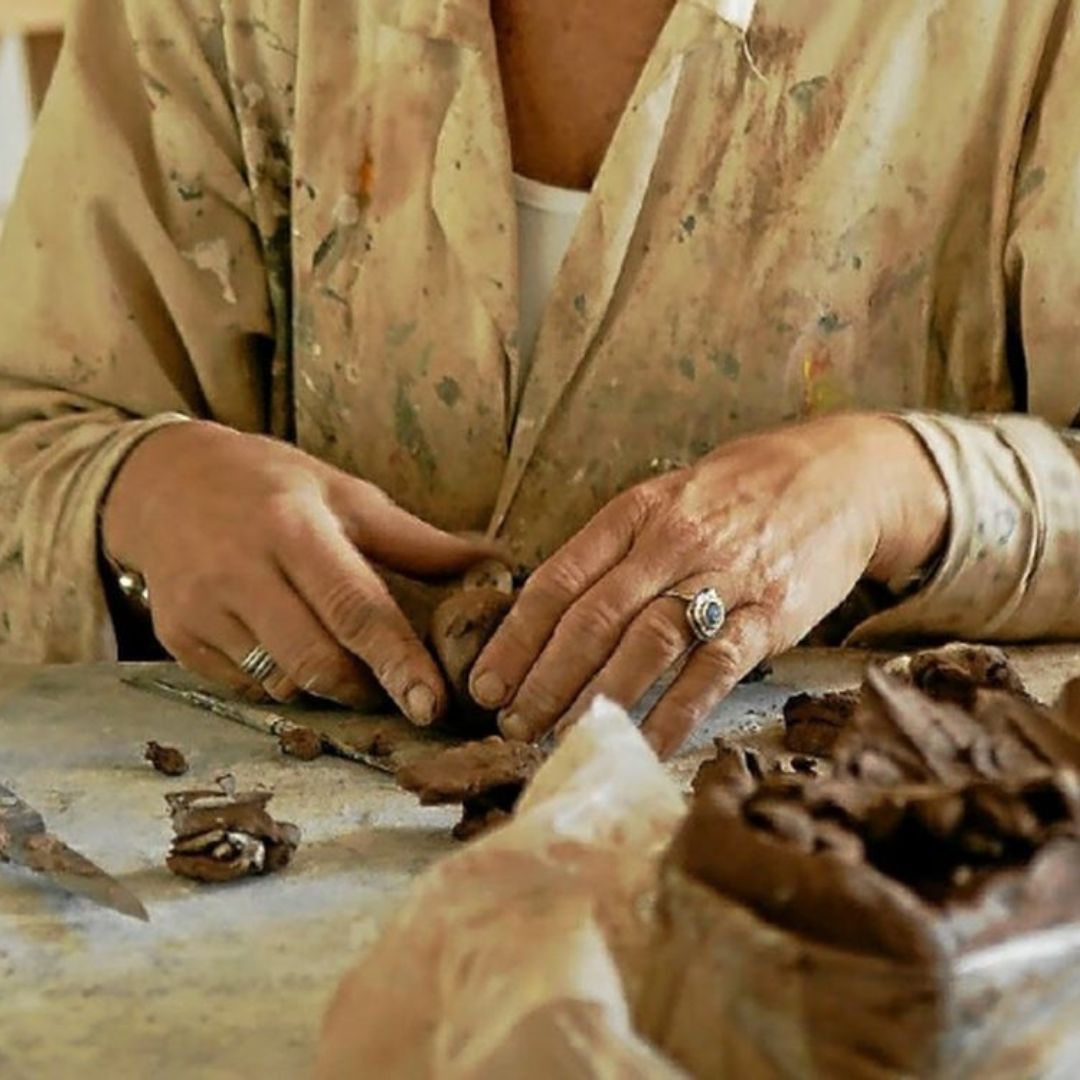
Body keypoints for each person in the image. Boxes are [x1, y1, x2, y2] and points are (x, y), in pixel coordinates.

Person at [0, 0, 1077, 757]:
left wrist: (898, 485)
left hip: (854, 937)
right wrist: (140, 486)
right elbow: (30, 432)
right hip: (253, 911)